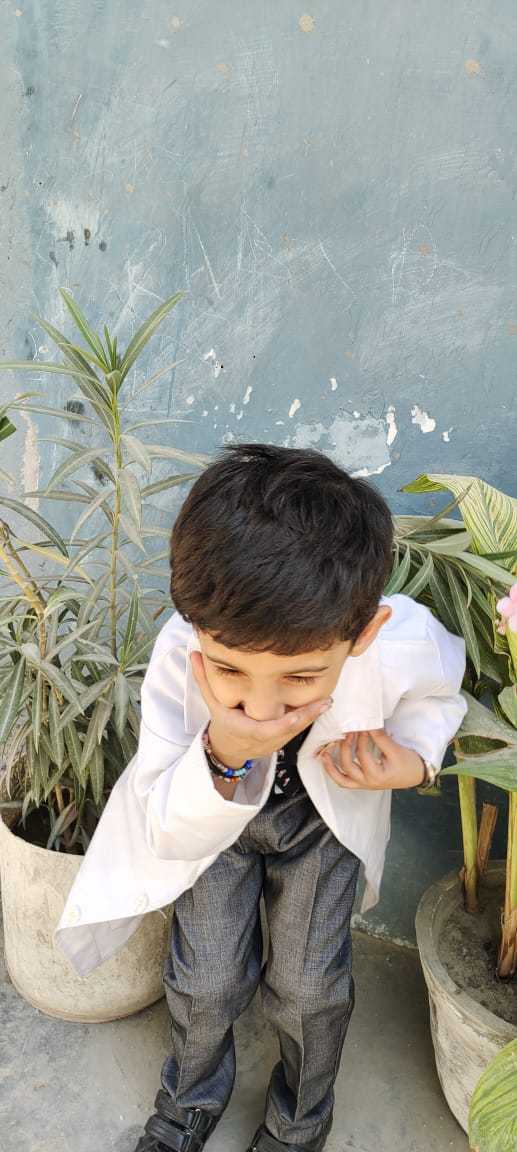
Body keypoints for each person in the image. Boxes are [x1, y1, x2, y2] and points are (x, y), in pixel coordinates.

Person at [55, 443, 468, 1152]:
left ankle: (298, 1122)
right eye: (228, 671)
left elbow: (439, 692)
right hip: (213, 825)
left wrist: (414, 760)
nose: (261, 704)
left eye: (302, 677)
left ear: (363, 634)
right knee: (206, 978)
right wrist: (224, 750)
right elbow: (165, 812)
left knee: (308, 987)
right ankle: (186, 1105)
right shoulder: (178, 652)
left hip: (322, 824)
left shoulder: (399, 638)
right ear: (195, 629)